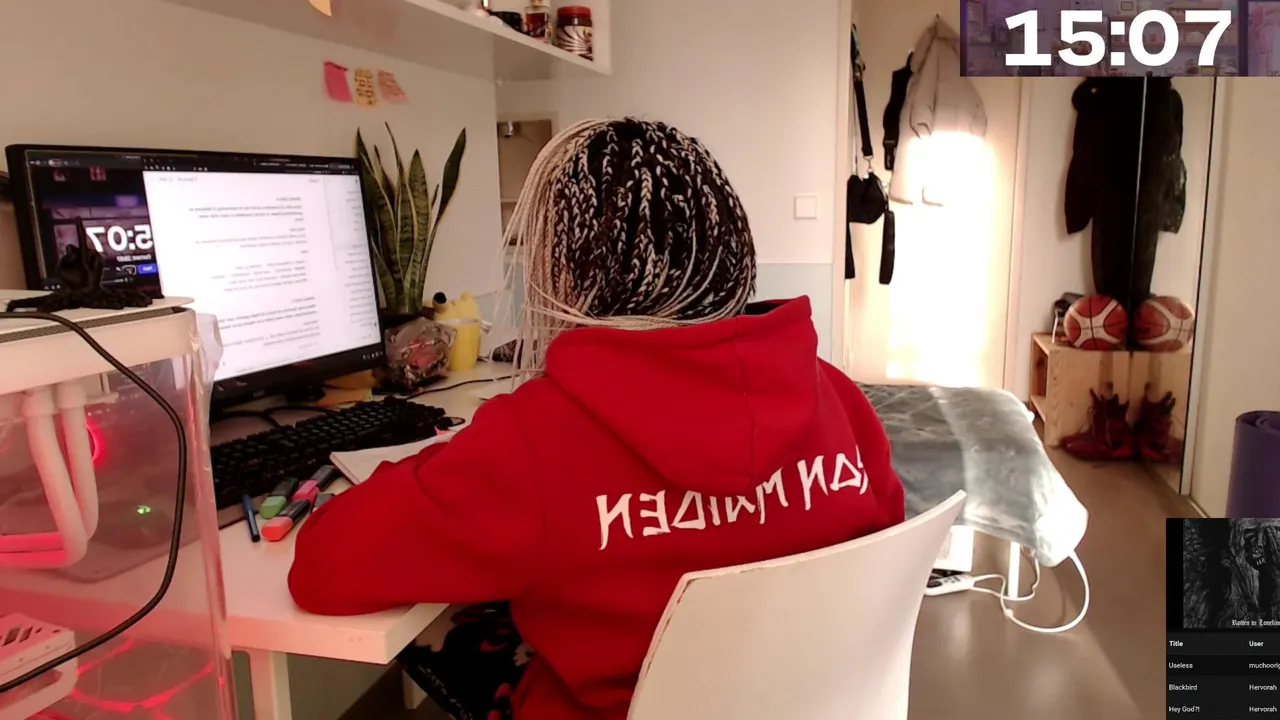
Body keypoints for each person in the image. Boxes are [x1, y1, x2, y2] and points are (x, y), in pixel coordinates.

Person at [289, 118, 906, 720]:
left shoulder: (532, 440)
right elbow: (882, 547)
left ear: (565, 268)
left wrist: (447, 462)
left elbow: (323, 569)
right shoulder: (835, 392)